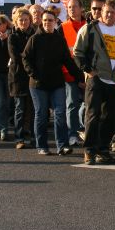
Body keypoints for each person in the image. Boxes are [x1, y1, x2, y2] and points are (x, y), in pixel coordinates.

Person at [74, 0, 115, 164]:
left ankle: (103, 150)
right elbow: (77, 52)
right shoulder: (90, 28)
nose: (109, 15)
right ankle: (89, 150)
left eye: (113, 12)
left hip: (114, 80)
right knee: (92, 115)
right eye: (107, 12)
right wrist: (89, 70)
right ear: (101, 13)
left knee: (110, 117)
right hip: (96, 78)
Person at [23, 11, 79, 156]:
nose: (47, 23)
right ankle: (41, 145)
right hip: (38, 84)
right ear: (42, 21)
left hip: (57, 83)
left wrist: (80, 77)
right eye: (45, 20)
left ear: (55, 22)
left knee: (60, 113)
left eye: (50, 20)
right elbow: (26, 58)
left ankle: (62, 145)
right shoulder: (34, 39)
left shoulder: (60, 39)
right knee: (41, 114)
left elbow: (68, 60)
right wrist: (33, 73)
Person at [60, 0, 87, 147]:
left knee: (88, 104)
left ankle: (84, 129)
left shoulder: (89, 25)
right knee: (71, 105)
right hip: (69, 73)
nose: (72, 9)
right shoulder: (62, 27)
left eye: (74, 6)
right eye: (69, 7)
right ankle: (72, 134)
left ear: (81, 8)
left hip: (87, 72)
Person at [8, 7, 34, 149]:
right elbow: (15, 56)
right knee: (20, 108)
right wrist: (28, 60)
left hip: (32, 75)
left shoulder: (34, 34)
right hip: (18, 75)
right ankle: (19, 138)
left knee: (32, 108)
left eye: (26, 20)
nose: (23, 22)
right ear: (16, 22)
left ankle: (31, 135)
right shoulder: (13, 36)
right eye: (21, 20)